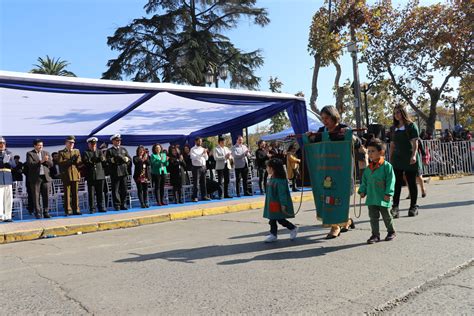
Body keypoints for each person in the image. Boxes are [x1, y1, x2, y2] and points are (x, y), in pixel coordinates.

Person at [307, 105, 355, 239]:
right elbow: (313, 145)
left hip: (342, 169)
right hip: (326, 170)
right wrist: (310, 137)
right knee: (329, 196)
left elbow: (357, 143)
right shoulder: (321, 131)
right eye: (322, 118)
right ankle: (339, 224)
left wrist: (350, 135)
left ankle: (340, 223)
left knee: (342, 195)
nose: (324, 121)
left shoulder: (343, 128)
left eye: (327, 118)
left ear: (334, 117)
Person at [358, 138, 396, 244]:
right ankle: (375, 235)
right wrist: (362, 191)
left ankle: (391, 231)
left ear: (381, 152)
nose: (370, 154)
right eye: (368, 151)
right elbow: (364, 182)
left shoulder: (387, 166)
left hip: (383, 196)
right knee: (373, 217)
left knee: (386, 216)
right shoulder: (368, 169)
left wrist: (389, 193)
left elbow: (391, 181)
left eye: (373, 151)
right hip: (372, 197)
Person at [389, 105, 422, 218]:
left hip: (409, 158)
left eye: (398, 112)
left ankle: (413, 206)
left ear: (403, 113)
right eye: (395, 113)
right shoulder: (393, 128)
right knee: (397, 184)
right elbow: (392, 145)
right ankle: (395, 207)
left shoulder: (411, 126)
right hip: (397, 159)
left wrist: (413, 156)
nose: (396, 115)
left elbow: (415, 143)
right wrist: (390, 158)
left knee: (411, 182)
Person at [263, 158, 298, 243]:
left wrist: (283, 204)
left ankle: (293, 228)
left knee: (279, 219)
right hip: (272, 203)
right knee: (272, 219)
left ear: (273, 168)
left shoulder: (280, 181)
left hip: (277, 204)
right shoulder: (272, 178)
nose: (267, 169)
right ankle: (273, 234)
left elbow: (282, 194)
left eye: (268, 167)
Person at [26, 139, 53, 219]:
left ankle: (46, 212)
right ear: (35, 146)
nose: (40, 146)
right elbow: (30, 164)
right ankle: (38, 212)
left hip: (45, 177)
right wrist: (41, 161)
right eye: (39, 145)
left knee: (46, 196)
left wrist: (47, 161)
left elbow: (51, 164)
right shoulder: (30, 153)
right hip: (35, 178)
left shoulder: (46, 153)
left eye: (41, 145)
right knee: (36, 196)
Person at [106, 134, 131, 211]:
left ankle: (123, 204)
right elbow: (108, 161)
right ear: (113, 141)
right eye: (117, 140)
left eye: (119, 140)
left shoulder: (123, 149)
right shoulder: (110, 151)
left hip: (123, 171)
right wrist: (115, 159)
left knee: (124, 189)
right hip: (115, 172)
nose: (118, 142)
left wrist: (125, 159)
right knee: (115, 190)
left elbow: (129, 159)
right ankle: (117, 205)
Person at [58, 136, 82, 216]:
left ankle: (76, 209)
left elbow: (79, 162)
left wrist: (78, 161)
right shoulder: (61, 152)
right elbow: (60, 163)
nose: (72, 144)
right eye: (70, 142)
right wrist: (70, 161)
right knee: (67, 194)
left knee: (75, 193)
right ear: (66, 143)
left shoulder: (76, 151)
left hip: (75, 174)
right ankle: (68, 210)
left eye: (73, 143)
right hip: (66, 175)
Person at [82, 137, 107, 213]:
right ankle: (92, 208)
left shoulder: (99, 151)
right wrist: (94, 159)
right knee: (91, 193)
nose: (93, 145)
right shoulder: (86, 152)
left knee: (100, 193)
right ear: (88, 144)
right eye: (91, 144)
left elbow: (104, 162)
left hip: (100, 175)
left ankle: (101, 207)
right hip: (91, 176)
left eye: (94, 144)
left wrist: (102, 159)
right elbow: (86, 162)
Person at [0, 137, 15, 222]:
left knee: (8, 198)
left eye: (3, 143)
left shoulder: (9, 153)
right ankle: (1, 216)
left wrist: (8, 161)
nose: (2, 145)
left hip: (8, 177)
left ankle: (8, 216)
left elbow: (14, 165)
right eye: (0, 143)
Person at [190, 137, 210, 202]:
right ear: (195, 142)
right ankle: (194, 197)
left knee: (203, 182)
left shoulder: (203, 149)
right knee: (196, 183)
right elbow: (194, 158)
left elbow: (206, 158)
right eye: (199, 141)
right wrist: (202, 154)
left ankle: (204, 196)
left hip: (203, 167)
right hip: (196, 168)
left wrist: (205, 153)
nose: (200, 142)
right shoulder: (192, 149)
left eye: (201, 141)